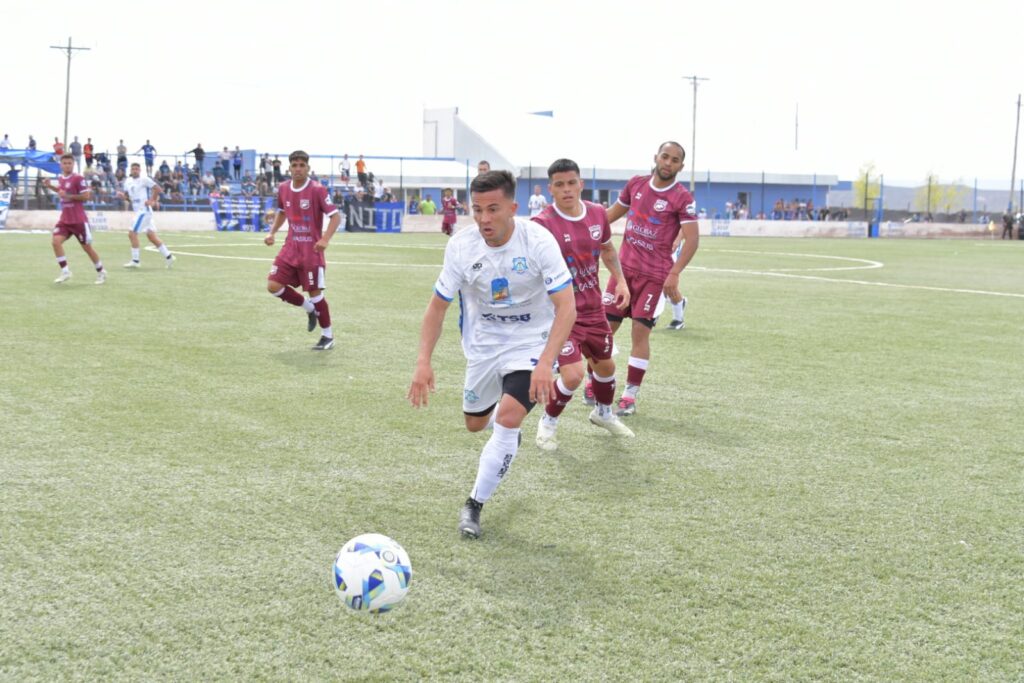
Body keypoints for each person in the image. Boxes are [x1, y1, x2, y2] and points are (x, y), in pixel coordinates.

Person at [407, 170, 576, 539]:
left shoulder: (538, 241)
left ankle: (473, 505)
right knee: (474, 424)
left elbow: (567, 306)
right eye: (477, 209)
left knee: (509, 416)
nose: (484, 219)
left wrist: (547, 361)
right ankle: (505, 435)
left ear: (514, 208)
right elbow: (437, 307)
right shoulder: (461, 246)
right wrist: (423, 361)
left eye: (493, 209)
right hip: (483, 344)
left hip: (531, 342)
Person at [531, 159, 634, 450]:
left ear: (581, 184)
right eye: (559, 184)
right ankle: (548, 423)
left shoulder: (598, 214)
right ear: (550, 189)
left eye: (571, 183)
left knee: (606, 367)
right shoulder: (542, 225)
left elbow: (607, 249)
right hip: (562, 314)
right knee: (574, 374)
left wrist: (621, 282)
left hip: (594, 309)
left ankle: (603, 414)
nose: (566, 189)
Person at [600, 141, 699, 416]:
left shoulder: (682, 198)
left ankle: (630, 395)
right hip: (623, 272)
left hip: (654, 277)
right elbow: (610, 216)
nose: (668, 162)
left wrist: (674, 272)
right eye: (665, 157)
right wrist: (585, 225)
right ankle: (597, 381)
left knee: (639, 334)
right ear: (656, 157)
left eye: (675, 160)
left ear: (681, 166)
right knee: (605, 330)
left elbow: (692, 240)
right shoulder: (636, 184)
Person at [264, 150, 341, 351]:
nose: (298, 169)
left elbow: (335, 217)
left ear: (308, 168)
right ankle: (309, 309)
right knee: (273, 285)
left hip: (311, 251)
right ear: (289, 168)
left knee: (316, 294)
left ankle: (328, 336)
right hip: (290, 247)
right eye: (294, 165)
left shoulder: (317, 190)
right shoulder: (283, 188)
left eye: (302, 165)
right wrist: (272, 232)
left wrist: (325, 239)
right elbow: (282, 212)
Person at [44, 153, 107, 284]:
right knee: (55, 242)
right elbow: (62, 192)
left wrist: (68, 196)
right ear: (61, 165)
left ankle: (101, 271)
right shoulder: (61, 178)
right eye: (65, 163)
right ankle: (65, 271)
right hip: (65, 220)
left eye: (70, 163)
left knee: (87, 248)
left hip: (78, 220)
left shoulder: (78, 178)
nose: (67, 165)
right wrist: (50, 186)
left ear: (73, 164)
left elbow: (86, 196)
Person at [117, 162, 175, 269]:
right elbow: (129, 199)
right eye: (133, 169)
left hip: (144, 211)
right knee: (151, 236)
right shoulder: (128, 182)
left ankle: (135, 260)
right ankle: (169, 256)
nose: (135, 170)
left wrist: (152, 200)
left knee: (132, 233)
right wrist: (123, 197)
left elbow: (158, 189)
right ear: (130, 170)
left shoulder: (144, 179)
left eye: (137, 169)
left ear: (140, 170)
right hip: (138, 211)